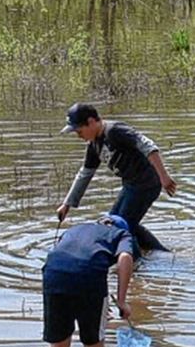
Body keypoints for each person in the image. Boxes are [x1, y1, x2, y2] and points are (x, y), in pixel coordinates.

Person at [56, 103, 177, 256]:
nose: (79, 136)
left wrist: (164, 177)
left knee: (118, 228)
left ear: (91, 122)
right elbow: (85, 174)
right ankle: (161, 253)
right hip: (130, 185)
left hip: (146, 183)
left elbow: (148, 145)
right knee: (116, 223)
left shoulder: (114, 131)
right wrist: (67, 204)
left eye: (79, 131)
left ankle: (135, 263)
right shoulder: (94, 145)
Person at [42, 214, 134, 347]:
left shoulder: (75, 228)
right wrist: (121, 301)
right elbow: (125, 258)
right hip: (89, 276)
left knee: (57, 346)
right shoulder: (121, 234)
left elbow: (68, 255)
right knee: (93, 345)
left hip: (53, 274)